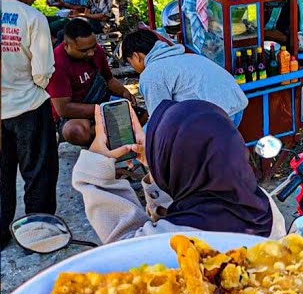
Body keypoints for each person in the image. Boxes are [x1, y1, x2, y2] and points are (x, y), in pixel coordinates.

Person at [71, 99, 285, 243]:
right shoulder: (264, 206)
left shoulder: (174, 241)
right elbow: (185, 200)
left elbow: (123, 247)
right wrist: (155, 165)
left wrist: (94, 172)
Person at [1, 0, 57, 249]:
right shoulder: (32, 18)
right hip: (28, 109)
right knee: (38, 172)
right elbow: (42, 73)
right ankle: (39, 232)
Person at [122, 29, 248, 125]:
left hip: (217, 117)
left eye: (130, 62)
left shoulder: (151, 74)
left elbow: (160, 120)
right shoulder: (187, 56)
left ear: (136, 56)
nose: (133, 67)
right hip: (237, 106)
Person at [48, 18, 137, 147]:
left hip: (101, 102)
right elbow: (63, 109)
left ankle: (108, 136)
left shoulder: (96, 51)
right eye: (83, 51)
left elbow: (109, 79)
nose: (90, 53)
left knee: (140, 115)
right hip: (75, 116)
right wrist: (103, 111)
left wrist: (124, 92)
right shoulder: (57, 63)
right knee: (76, 131)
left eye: (92, 47)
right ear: (67, 46)